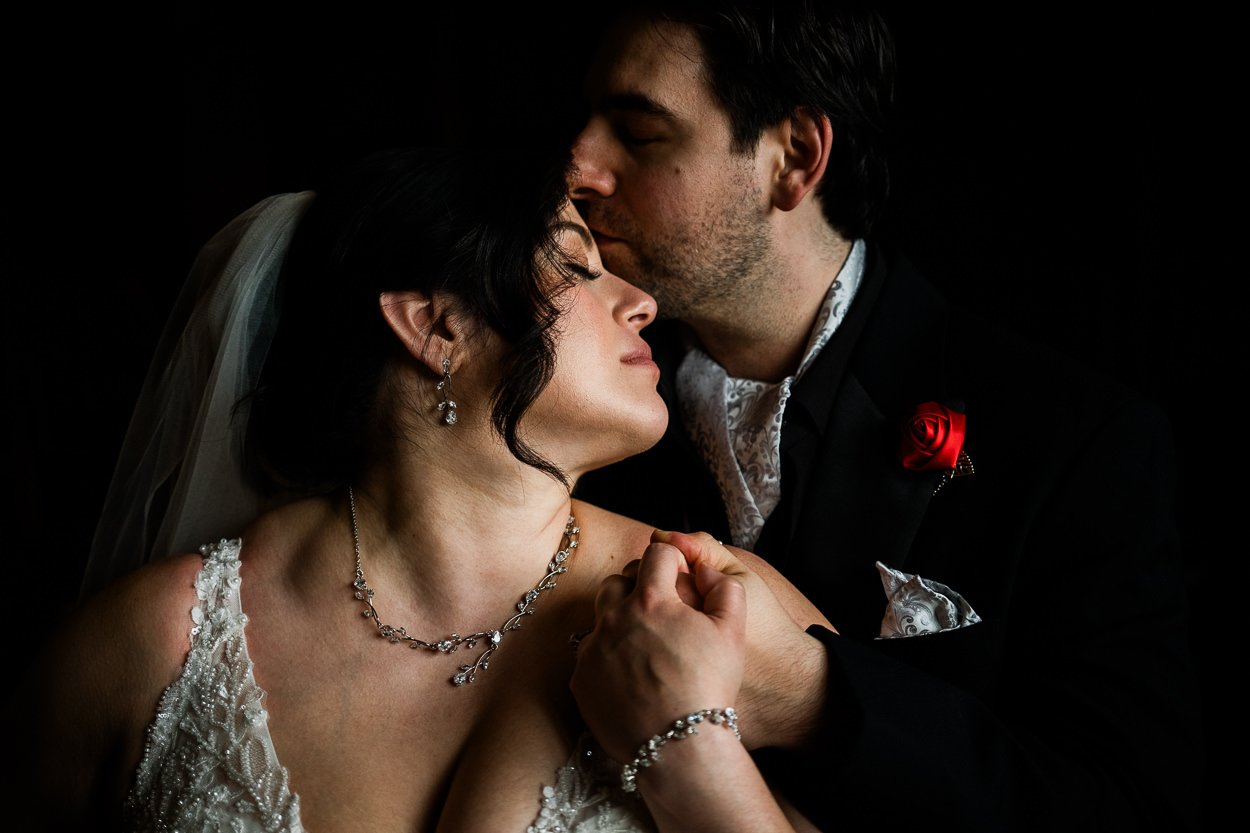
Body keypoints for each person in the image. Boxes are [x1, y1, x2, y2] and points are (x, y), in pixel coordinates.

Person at [6, 146, 831, 833]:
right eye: (575, 266)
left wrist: (693, 750)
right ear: (436, 328)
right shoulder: (152, 650)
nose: (642, 302)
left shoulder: (716, 605)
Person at [568, 2, 1205, 832]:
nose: (578, 164)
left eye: (641, 132)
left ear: (794, 159)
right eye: (585, 122)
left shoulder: (1075, 438)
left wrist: (811, 694)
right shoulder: (574, 416)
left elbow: (1132, 812)